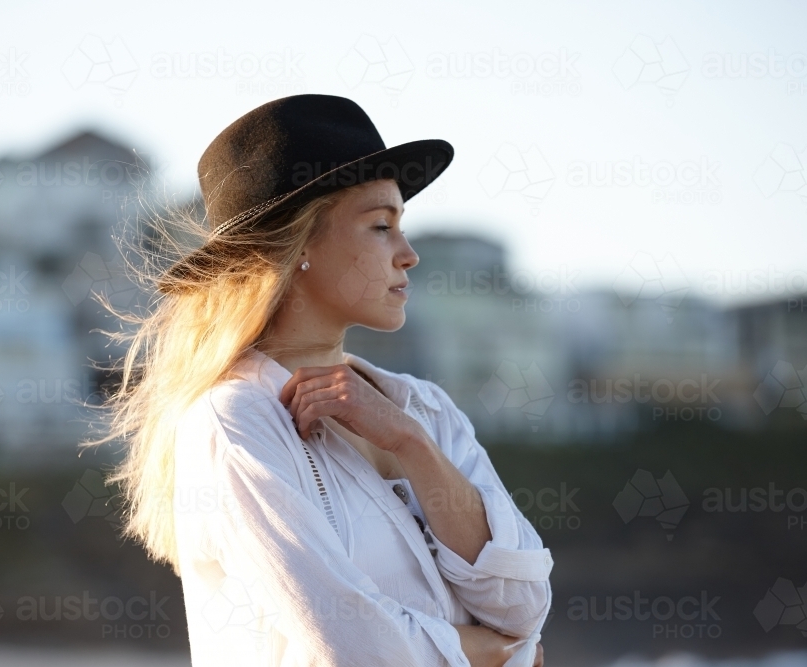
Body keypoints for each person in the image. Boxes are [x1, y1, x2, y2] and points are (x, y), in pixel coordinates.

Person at [83, 94, 552, 666]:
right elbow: (351, 648)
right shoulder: (235, 420)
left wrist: (409, 442)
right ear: (301, 243)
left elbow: (524, 605)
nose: (409, 255)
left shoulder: (423, 409)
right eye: (381, 225)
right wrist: (487, 654)